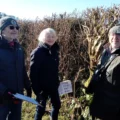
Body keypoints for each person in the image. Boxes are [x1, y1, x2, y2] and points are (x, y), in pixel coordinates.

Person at [0, 16, 32, 120]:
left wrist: (28, 86)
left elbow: (22, 69)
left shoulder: (19, 48)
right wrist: (4, 91)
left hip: (17, 95)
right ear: (2, 29)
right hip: (2, 97)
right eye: (11, 27)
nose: (15, 30)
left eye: (17, 28)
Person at [86, 25, 120, 120]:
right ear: (109, 37)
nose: (115, 37)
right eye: (113, 34)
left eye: (119, 35)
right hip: (101, 100)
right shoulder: (106, 52)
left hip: (115, 106)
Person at [30, 28, 61, 120]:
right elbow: (33, 74)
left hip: (53, 86)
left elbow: (55, 69)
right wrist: (37, 91)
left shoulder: (55, 51)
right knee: (40, 109)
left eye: (53, 36)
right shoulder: (37, 53)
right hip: (41, 88)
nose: (51, 39)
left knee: (57, 105)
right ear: (42, 38)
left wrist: (57, 81)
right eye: (48, 37)